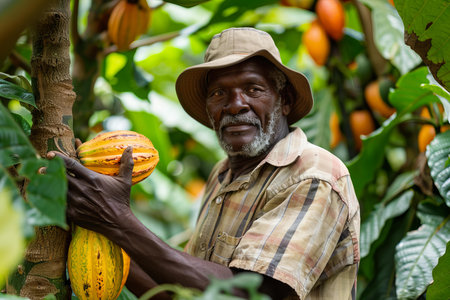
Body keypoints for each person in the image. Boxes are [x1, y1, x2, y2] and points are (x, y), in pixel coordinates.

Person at [49, 27, 360, 299]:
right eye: (219, 92)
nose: (236, 104)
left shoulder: (314, 176)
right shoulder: (224, 173)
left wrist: (116, 219)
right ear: (210, 109)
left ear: (285, 100)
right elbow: (182, 292)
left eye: (253, 88)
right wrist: (91, 220)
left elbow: (245, 294)